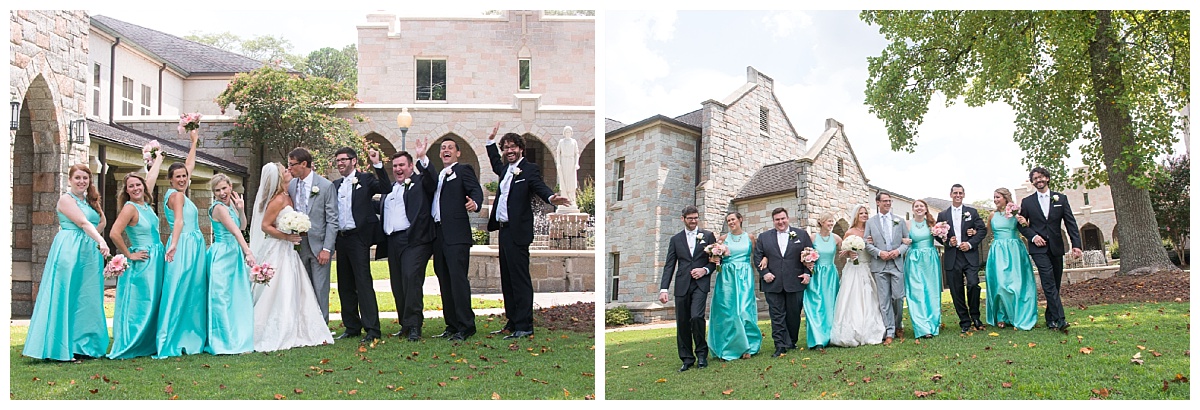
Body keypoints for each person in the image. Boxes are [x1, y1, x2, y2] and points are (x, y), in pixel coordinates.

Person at [486, 126, 570, 340]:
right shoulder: (505, 170)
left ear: (521, 148)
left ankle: (525, 326)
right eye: (505, 148)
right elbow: (496, 163)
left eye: (512, 147)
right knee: (507, 279)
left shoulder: (529, 169)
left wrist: (552, 198)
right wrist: (490, 142)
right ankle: (512, 321)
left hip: (518, 233)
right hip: (503, 231)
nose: (509, 151)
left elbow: (540, 187)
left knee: (520, 279)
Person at [22, 164, 110, 361]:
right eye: (78, 178)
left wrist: (96, 204)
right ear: (70, 180)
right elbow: (83, 223)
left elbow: (99, 223)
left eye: (85, 178)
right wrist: (101, 241)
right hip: (70, 250)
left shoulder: (88, 201)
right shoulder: (65, 199)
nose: (82, 182)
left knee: (86, 298)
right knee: (67, 294)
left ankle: (84, 345)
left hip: (89, 253)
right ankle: (60, 348)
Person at [249, 163, 335, 351]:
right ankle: (278, 329)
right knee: (281, 287)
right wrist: (287, 236)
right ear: (279, 178)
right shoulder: (278, 199)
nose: (289, 171)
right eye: (285, 171)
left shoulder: (288, 196)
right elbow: (265, 225)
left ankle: (298, 327)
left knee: (295, 287)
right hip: (278, 248)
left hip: (289, 250)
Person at [375, 143, 436, 341]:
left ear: (411, 166)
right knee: (398, 284)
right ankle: (405, 324)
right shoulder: (390, 190)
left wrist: (423, 158)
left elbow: (432, 180)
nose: (398, 169)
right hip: (392, 242)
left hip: (414, 241)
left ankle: (415, 325)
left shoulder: (419, 183)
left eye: (402, 165)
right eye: (395, 166)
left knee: (411, 280)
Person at [155, 129, 208, 359]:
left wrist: (194, 142)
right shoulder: (175, 196)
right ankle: (172, 337)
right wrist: (174, 245)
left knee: (193, 290)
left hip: (194, 244)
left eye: (184, 176)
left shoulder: (181, 191)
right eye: (178, 177)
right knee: (179, 288)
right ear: (170, 180)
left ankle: (189, 335)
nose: (183, 179)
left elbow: (189, 164)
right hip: (184, 244)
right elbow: (178, 221)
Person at [107, 154, 166, 359]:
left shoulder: (145, 205)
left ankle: (148, 341)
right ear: (127, 191)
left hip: (157, 257)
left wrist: (158, 159)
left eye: (138, 184)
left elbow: (151, 178)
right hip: (143, 260)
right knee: (143, 301)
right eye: (131, 186)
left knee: (155, 300)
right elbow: (114, 233)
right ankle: (133, 340)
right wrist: (129, 254)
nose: (136, 188)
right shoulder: (130, 208)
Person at [426, 137, 484, 341]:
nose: (446, 150)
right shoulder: (440, 175)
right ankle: (451, 325)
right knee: (444, 280)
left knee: (458, 280)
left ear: (458, 153)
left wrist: (475, 203)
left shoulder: (463, 170)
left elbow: (475, 190)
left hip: (456, 234)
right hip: (438, 235)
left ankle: (466, 325)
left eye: (450, 148)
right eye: (443, 148)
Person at [331, 147, 392, 344]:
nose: (340, 163)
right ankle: (351, 326)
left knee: (363, 283)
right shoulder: (336, 185)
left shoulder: (364, 180)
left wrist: (378, 164)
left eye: (344, 160)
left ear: (354, 161)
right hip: (342, 238)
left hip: (359, 238)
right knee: (345, 284)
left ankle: (372, 328)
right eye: (338, 160)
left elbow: (386, 188)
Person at [1017, 167, 1083, 332]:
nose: (1038, 180)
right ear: (1032, 182)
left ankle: (1050, 318)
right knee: (1048, 281)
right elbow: (1021, 224)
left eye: (1041, 177)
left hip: (1056, 247)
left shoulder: (1061, 198)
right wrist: (1033, 236)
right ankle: (1060, 320)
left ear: (1047, 178)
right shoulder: (1027, 202)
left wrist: (1076, 245)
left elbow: (1070, 223)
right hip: (1038, 249)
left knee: (1055, 283)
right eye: (1035, 178)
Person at [659, 205, 717, 371]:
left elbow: (714, 261)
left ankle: (701, 355)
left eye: (695, 218)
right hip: (682, 285)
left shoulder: (708, 236)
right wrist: (664, 289)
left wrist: (704, 270)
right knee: (683, 322)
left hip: (700, 284)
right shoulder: (675, 240)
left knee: (697, 317)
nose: (693, 221)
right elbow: (669, 265)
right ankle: (687, 358)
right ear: (683, 219)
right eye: (690, 218)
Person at [203, 173, 256, 354]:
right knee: (221, 297)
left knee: (236, 296)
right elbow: (235, 231)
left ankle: (236, 336)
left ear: (230, 187)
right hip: (222, 254)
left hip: (233, 254)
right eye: (217, 190)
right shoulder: (218, 208)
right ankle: (223, 342)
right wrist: (247, 251)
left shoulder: (230, 205)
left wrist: (240, 209)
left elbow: (242, 226)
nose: (221, 192)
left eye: (224, 188)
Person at [752, 207, 813, 357]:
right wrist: (764, 273)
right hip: (773, 282)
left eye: (783, 218)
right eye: (777, 219)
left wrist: (807, 273)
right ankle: (779, 345)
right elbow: (758, 257)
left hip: (795, 281)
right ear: (773, 221)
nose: (780, 222)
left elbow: (810, 255)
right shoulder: (764, 237)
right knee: (776, 315)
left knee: (793, 314)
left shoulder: (801, 234)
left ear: (788, 218)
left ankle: (791, 340)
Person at [287, 147, 337, 323]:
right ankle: (305, 325)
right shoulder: (292, 185)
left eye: (292, 165)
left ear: (304, 164)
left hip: (319, 245)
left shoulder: (325, 186)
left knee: (320, 287)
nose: (289, 169)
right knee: (302, 286)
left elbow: (332, 220)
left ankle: (321, 326)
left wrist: (327, 248)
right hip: (297, 243)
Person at [707, 212, 762, 361]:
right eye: (728, 220)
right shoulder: (723, 239)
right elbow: (712, 258)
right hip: (727, 277)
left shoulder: (750, 238)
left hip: (744, 276)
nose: (731, 222)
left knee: (744, 311)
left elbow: (758, 255)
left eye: (733, 219)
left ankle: (747, 347)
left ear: (740, 220)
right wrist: (715, 256)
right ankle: (727, 346)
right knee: (728, 312)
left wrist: (766, 260)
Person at [830, 204, 886, 347]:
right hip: (855, 268)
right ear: (856, 216)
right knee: (854, 298)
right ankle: (853, 330)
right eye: (861, 213)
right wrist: (849, 252)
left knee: (872, 297)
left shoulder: (872, 229)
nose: (864, 215)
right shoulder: (850, 232)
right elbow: (844, 252)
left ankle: (876, 328)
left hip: (869, 266)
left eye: (866, 213)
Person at [936, 184, 987, 333]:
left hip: (969, 256)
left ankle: (975, 317)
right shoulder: (943, 215)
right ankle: (964, 321)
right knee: (956, 290)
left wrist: (970, 243)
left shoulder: (972, 212)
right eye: (955, 193)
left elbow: (982, 230)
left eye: (960, 193)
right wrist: (947, 241)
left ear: (964, 195)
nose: (958, 195)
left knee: (973, 284)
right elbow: (937, 235)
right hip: (953, 256)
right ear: (950, 194)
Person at [986, 188, 1038, 330]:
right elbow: (985, 233)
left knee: (1016, 285)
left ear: (1006, 198)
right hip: (998, 252)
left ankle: (1017, 316)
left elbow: (1025, 228)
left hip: (1015, 250)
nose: (996, 200)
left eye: (998, 197)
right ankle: (1001, 316)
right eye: (994, 197)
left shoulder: (1015, 213)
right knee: (1001, 284)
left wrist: (1023, 222)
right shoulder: (992, 215)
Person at [863, 191, 909, 344]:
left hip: (896, 263)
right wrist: (879, 253)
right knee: (884, 300)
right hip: (880, 264)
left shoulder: (899, 220)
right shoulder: (871, 222)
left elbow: (907, 242)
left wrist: (898, 251)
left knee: (897, 297)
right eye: (885, 201)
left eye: (890, 201)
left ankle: (898, 324)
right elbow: (866, 243)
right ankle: (889, 331)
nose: (888, 203)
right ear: (878, 203)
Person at [904, 199, 942, 338]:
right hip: (914, 259)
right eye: (916, 206)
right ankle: (922, 327)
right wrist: (903, 241)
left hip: (930, 260)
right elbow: (899, 239)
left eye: (921, 206)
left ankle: (933, 323)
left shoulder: (932, 224)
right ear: (913, 209)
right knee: (916, 291)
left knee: (931, 292)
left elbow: (943, 238)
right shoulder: (907, 224)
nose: (919, 208)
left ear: (926, 209)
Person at [804, 212, 840, 350]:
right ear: (821, 222)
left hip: (831, 275)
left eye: (832, 221)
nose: (831, 224)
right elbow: (805, 253)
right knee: (816, 305)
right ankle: (818, 339)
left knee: (831, 306)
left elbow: (846, 251)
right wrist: (807, 263)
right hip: (817, 274)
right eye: (828, 221)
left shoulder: (836, 238)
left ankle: (832, 336)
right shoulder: (813, 238)